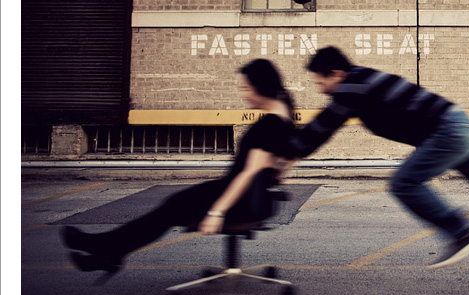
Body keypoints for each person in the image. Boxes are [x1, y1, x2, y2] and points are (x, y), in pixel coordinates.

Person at [292, 46, 469, 293]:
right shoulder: (363, 81)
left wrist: (283, 154)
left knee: (404, 183)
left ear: (336, 74)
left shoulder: (351, 86)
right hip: (461, 125)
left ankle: (461, 231)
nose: (322, 90)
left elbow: (321, 127)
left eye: (321, 83)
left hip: (449, 131)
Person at [62, 58, 298, 279]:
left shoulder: (270, 124)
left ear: (261, 87)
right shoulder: (285, 119)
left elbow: (249, 173)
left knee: (166, 212)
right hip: (247, 197)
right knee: (167, 209)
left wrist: (217, 212)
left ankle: (104, 250)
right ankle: (107, 252)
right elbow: (287, 160)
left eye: (246, 89)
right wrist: (276, 174)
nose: (244, 95)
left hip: (237, 199)